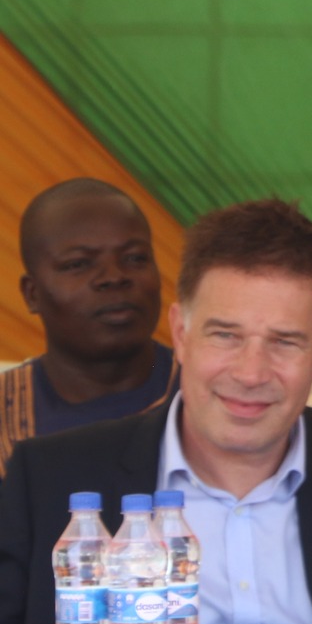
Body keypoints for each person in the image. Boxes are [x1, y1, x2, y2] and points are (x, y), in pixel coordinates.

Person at [0, 198, 312, 624]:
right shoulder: (51, 477)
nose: (251, 373)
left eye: (284, 342)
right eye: (225, 336)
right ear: (181, 333)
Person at [1, 179, 179, 478]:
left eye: (135, 258)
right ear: (32, 294)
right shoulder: (7, 415)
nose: (113, 277)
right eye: (78, 264)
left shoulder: (213, 397)